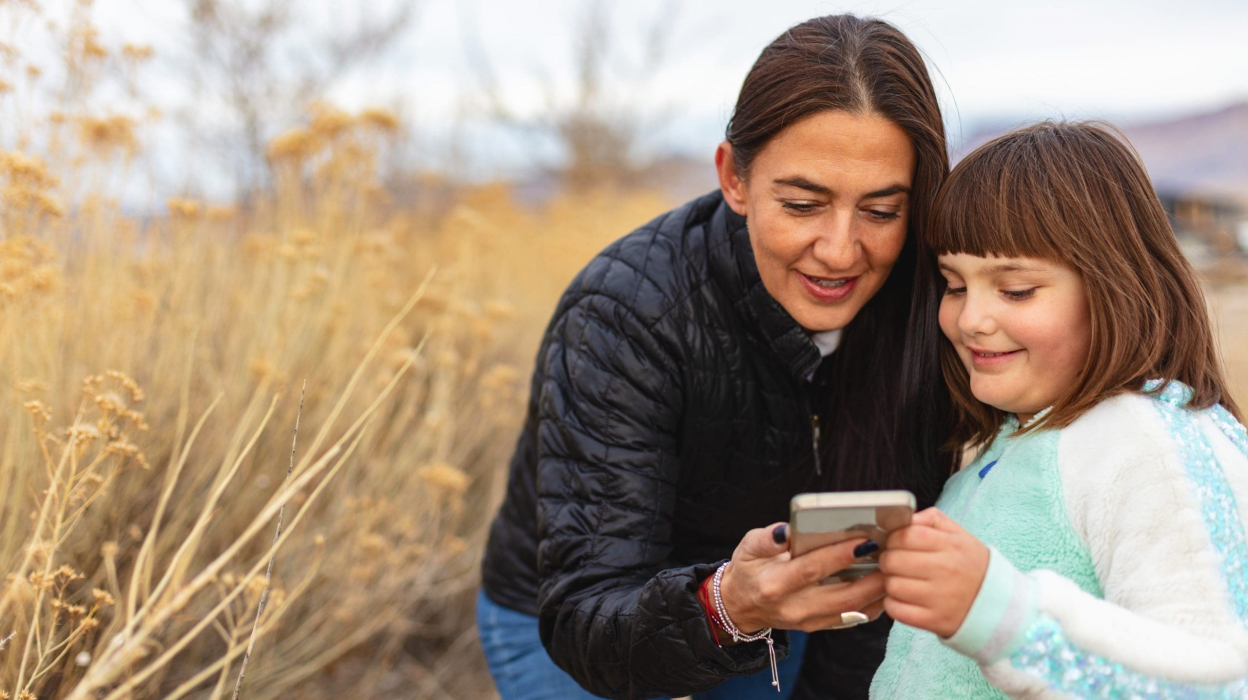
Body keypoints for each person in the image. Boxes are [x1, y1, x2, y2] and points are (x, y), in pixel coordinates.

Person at [476, 13, 955, 700]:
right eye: (802, 204)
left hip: (781, 608)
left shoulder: (933, 301)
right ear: (734, 178)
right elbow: (587, 617)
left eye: (881, 211)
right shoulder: (624, 315)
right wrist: (726, 606)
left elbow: (867, 614)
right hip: (575, 628)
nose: (842, 250)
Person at [870, 121, 1248, 698]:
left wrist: (1002, 619)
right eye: (953, 284)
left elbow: (1221, 683)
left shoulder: (1146, 445)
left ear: (1113, 287)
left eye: (1015, 289)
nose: (971, 320)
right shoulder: (1015, 440)